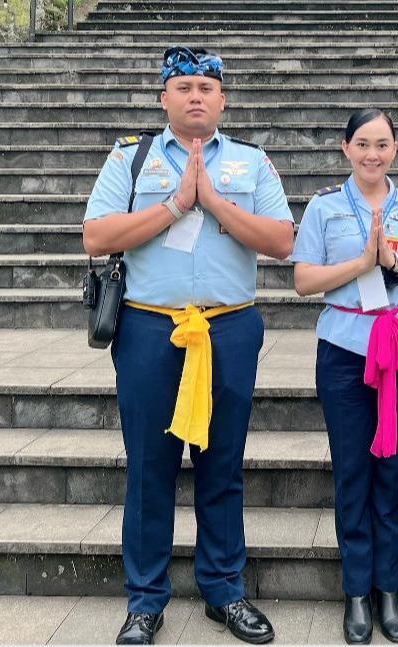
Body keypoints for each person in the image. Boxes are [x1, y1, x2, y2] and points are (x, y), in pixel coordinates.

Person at [83, 46, 295, 646]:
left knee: (221, 467)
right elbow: (96, 235)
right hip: (150, 329)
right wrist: (176, 203)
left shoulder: (251, 162)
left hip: (229, 327)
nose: (196, 95)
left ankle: (224, 590)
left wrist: (213, 202)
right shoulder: (131, 158)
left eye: (206, 86)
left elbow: (282, 241)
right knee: (149, 468)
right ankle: (145, 599)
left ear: (223, 98)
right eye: (183, 86)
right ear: (163, 97)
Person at [291, 108, 398, 645]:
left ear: (395, 149)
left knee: (392, 470)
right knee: (353, 468)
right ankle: (357, 590)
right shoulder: (325, 207)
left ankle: (388, 588)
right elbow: (303, 280)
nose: (372, 153)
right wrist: (360, 263)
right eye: (362, 143)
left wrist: (395, 262)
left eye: (382, 144)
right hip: (344, 348)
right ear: (345, 148)